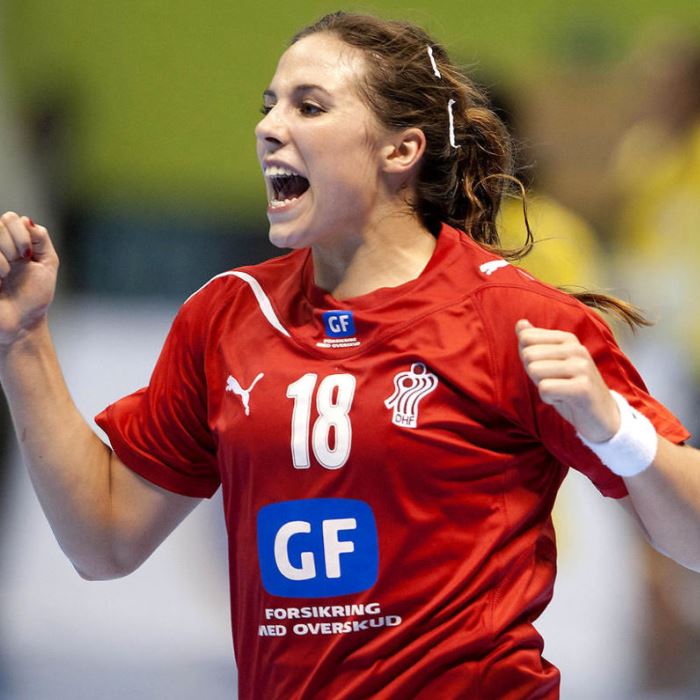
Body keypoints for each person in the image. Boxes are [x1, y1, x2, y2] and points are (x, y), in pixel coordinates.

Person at [0, 11, 698, 699]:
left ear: (401, 151)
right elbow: (104, 543)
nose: (269, 127)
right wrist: (23, 339)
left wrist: (617, 430)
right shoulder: (227, 317)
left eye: (309, 106)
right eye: (270, 105)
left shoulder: (514, 318)